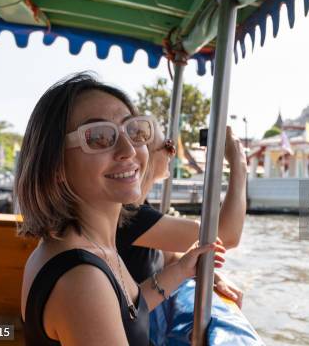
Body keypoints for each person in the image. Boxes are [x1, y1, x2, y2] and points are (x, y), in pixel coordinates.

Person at [16, 73, 225, 346]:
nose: (129, 149)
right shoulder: (81, 278)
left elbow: (126, 311)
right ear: (55, 166)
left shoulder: (91, 245)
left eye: (134, 131)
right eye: (99, 137)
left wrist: (181, 270)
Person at [117, 120, 247, 307]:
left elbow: (168, 257)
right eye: (167, 146)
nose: (174, 152)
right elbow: (224, 236)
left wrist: (213, 276)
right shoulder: (130, 216)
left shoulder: (138, 209)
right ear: (144, 155)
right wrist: (239, 163)